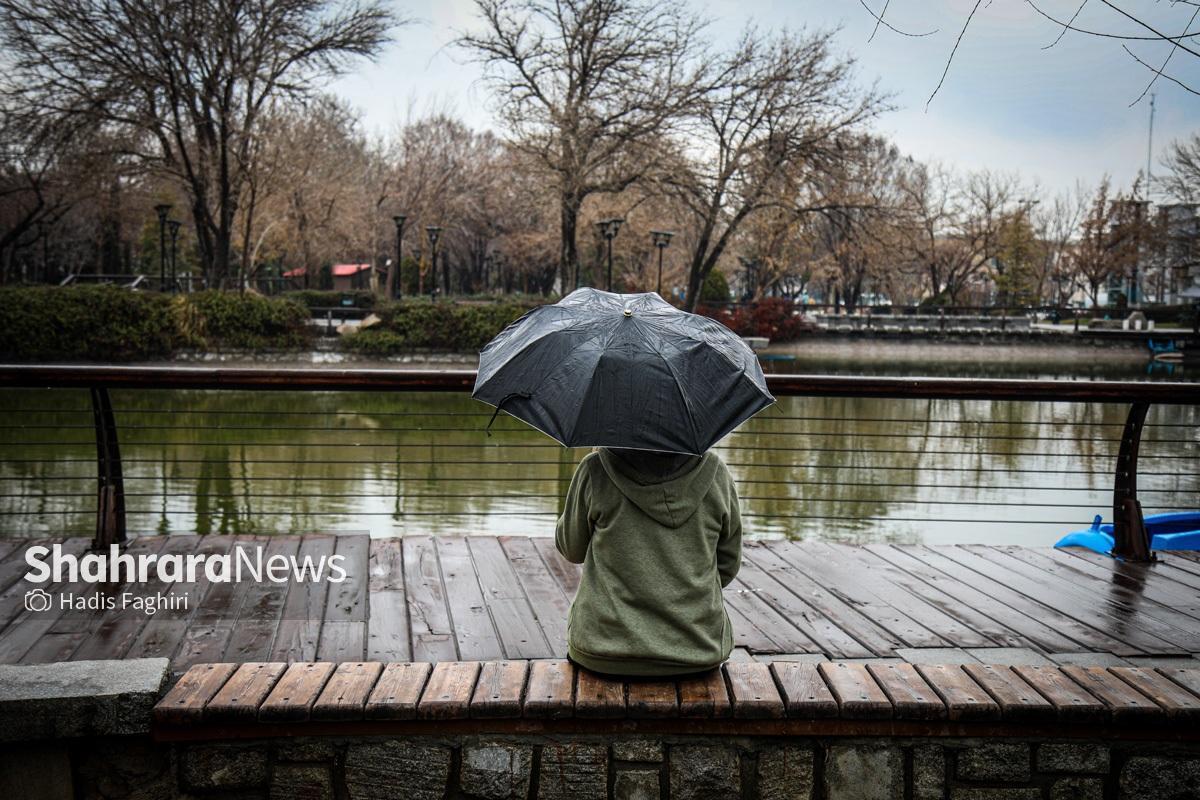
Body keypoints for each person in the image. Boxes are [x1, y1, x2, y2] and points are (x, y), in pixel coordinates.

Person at [554, 446, 743, 678]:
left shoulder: (596, 469)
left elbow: (571, 549)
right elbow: (728, 564)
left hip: (603, 651)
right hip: (698, 651)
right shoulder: (717, 474)